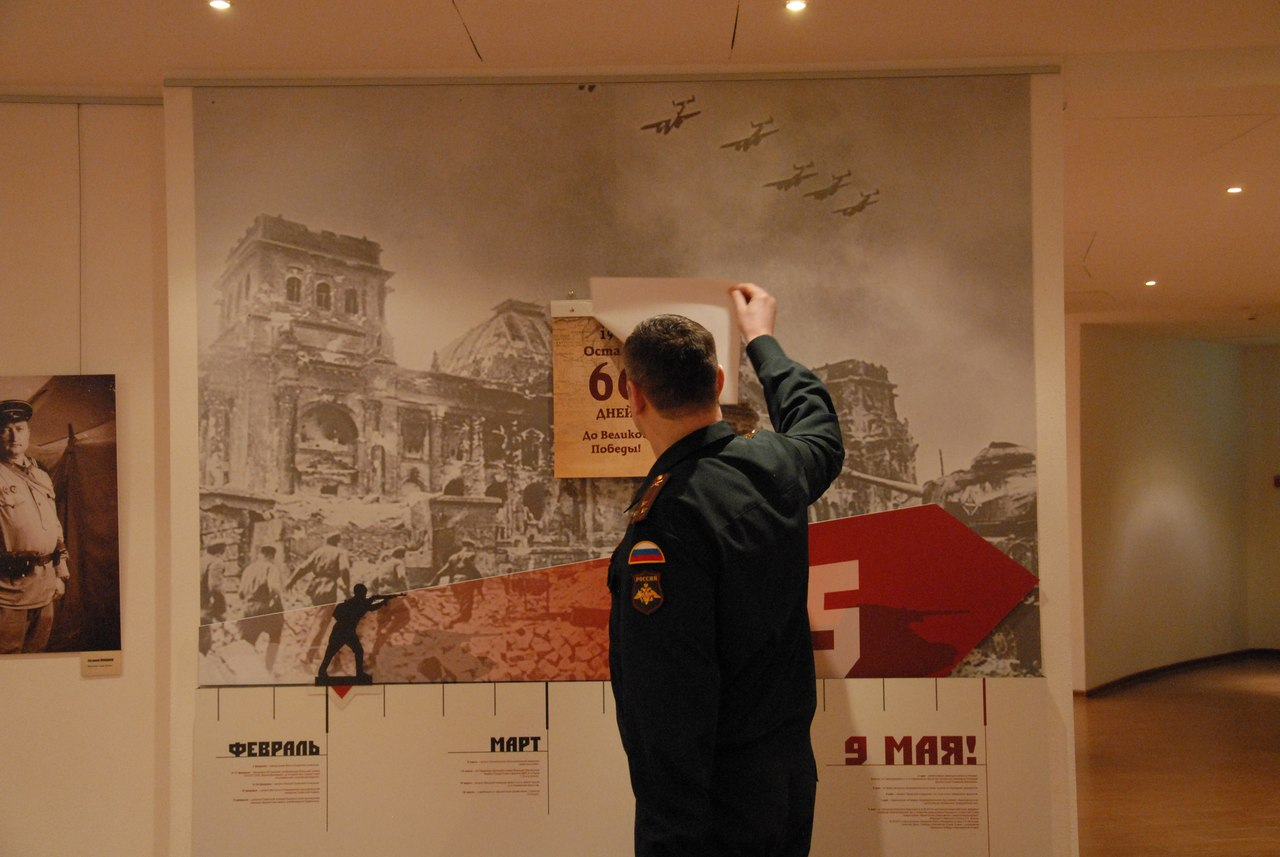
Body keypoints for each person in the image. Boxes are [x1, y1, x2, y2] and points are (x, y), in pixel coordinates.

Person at [607, 283, 845, 856]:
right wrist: (761, 339)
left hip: (713, 814)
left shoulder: (666, 522)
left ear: (633, 396)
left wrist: (667, 839)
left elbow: (667, 706)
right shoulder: (777, 464)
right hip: (786, 786)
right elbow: (818, 427)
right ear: (717, 382)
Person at [0, 399, 71, 654]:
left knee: (36, 658)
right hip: (8, 593)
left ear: (28, 433)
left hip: (45, 588)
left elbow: (54, 526)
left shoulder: (41, 476)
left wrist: (60, 573)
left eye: (19, 429)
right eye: (6, 429)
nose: (14, 436)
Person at [316, 583, 399, 681]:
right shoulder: (359, 603)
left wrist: (380, 600)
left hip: (344, 630)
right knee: (333, 652)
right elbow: (371, 607)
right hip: (344, 631)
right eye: (364, 592)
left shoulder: (355, 602)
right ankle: (356, 674)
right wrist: (382, 602)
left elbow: (370, 605)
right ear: (360, 593)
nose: (365, 594)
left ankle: (357, 673)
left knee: (345, 651)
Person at [238, 544, 286, 672]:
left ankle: (245, 671)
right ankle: (268, 668)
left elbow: (241, 592)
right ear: (271, 556)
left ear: (260, 555)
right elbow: (274, 587)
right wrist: (278, 600)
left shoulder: (248, 569)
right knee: (275, 635)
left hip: (248, 608)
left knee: (248, 641)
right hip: (264, 607)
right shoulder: (271, 567)